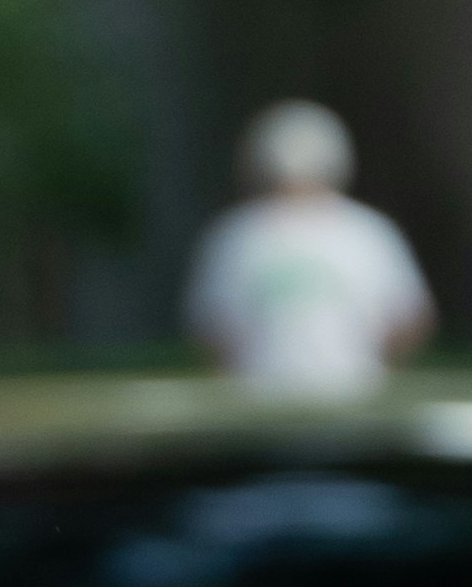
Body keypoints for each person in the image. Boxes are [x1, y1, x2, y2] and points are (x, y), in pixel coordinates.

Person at [186, 101, 438, 394]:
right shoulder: (369, 232)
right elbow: (411, 323)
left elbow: (211, 334)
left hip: (260, 414)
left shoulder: (235, 235)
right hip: (353, 409)